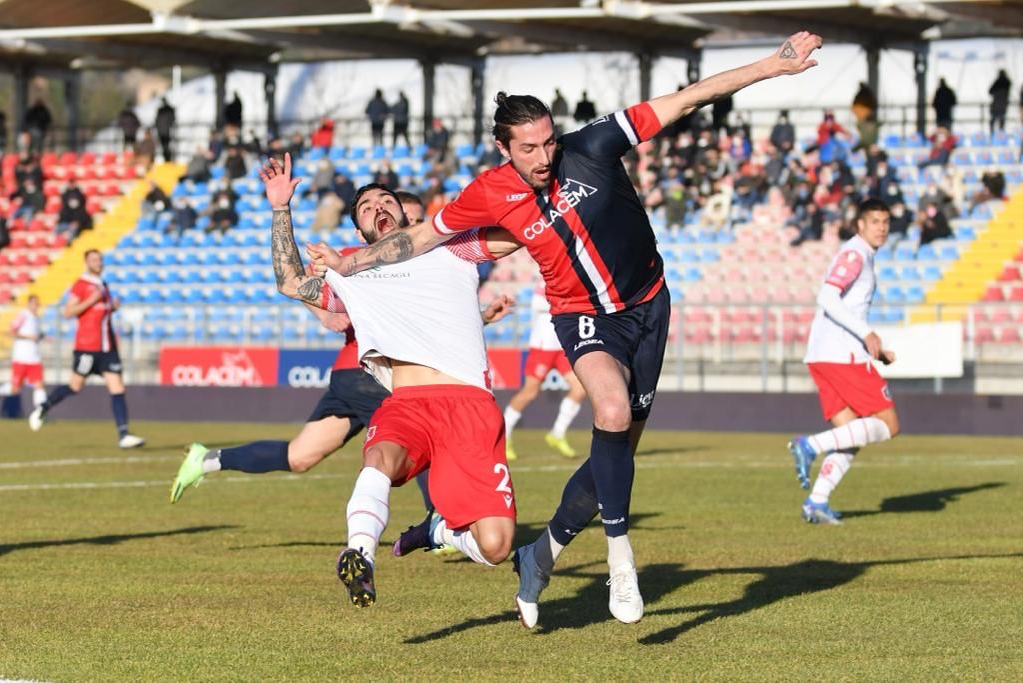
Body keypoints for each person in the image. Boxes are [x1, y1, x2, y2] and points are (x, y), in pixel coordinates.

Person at [321, 31, 823, 627]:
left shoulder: (593, 145)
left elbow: (688, 97)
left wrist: (773, 65)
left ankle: (542, 554)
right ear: (504, 148)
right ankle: (621, 562)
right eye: (528, 147)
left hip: (649, 305)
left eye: (548, 141)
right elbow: (421, 236)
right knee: (608, 413)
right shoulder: (489, 191)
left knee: (615, 455)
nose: (543, 155)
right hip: (579, 314)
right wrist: (348, 263)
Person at [266, 158, 524, 608]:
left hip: (470, 407)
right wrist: (280, 209)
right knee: (380, 456)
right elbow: (290, 282)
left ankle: (438, 531)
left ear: (407, 214)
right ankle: (360, 552)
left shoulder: (453, 248)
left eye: (386, 200)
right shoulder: (353, 275)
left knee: (497, 545)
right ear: (360, 230)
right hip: (408, 401)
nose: (378, 206)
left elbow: (518, 235)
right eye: (365, 206)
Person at [787, 198, 900, 524]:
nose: (881, 227)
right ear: (860, 224)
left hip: (826, 354)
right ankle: (809, 445)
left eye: (885, 221)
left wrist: (877, 348)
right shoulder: (855, 254)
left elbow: (844, 306)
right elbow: (827, 296)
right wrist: (866, 334)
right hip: (840, 356)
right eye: (875, 221)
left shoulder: (861, 255)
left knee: (854, 432)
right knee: (888, 425)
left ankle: (817, 502)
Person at [28, 250, 144, 448]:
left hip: (107, 347)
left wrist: (112, 307)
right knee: (75, 386)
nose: (98, 263)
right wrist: (91, 300)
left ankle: (124, 435)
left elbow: (101, 313)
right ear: (86, 263)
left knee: (118, 387)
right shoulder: (81, 285)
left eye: (100, 259)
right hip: (87, 347)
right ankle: (44, 407)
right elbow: (67, 312)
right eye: (94, 260)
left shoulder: (103, 286)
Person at [504, 285, 587, 461]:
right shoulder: (546, 278)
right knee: (529, 392)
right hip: (543, 346)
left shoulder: (570, 278)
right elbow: (538, 304)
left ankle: (557, 433)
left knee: (580, 389)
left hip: (561, 346)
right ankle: (504, 435)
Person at [0, 295, 47, 418]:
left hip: (34, 358)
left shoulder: (36, 318)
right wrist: (28, 337)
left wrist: (42, 337)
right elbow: (11, 330)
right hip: (21, 357)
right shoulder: (23, 315)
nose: (36, 306)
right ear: (29, 304)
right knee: (15, 389)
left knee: (39, 385)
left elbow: (35, 335)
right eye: (34, 303)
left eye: (38, 304)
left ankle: (40, 414)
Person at [989, 70, 1011, 134]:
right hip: (1003, 104)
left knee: (993, 121)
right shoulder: (1007, 82)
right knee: (1001, 120)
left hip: (996, 104)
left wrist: (996, 93)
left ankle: (993, 135)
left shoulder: (997, 82)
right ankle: (1001, 135)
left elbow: (990, 91)